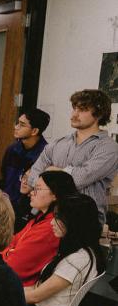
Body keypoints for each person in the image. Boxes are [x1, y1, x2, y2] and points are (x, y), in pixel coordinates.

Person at [28, 89, 118, 222]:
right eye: (74, 108)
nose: (74, 114)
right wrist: (62, 175)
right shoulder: (58, 143)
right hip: (47, 216)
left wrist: (51, 172)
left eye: (82, 110)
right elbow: (33, 176)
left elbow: (80, 178)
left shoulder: (108, 147)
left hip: (83, 219)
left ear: (99, 114)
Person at [23, 194, 104, 306]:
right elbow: (36, 290)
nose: (52, 222)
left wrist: (4, 293)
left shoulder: (77, 260)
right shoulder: (85, 251)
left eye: (58, 218)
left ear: (74, 222)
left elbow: (36, 296)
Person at [2, 171, 78, 286]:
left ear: (55, 195)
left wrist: (8, 251)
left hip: (18, 287)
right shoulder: (41, 218)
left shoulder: (51, 227)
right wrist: (10, 250)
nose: (31, 193)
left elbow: (13, 266)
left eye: (37, 189)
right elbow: (11, 240)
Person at [0, 109, 50, 207]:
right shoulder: (12, 149)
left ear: (34, 131)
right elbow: (3, 179)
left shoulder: (45, 155)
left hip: (27, 208)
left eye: (22, 125)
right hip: (5, 204)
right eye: (17, 123)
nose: (16, 127)